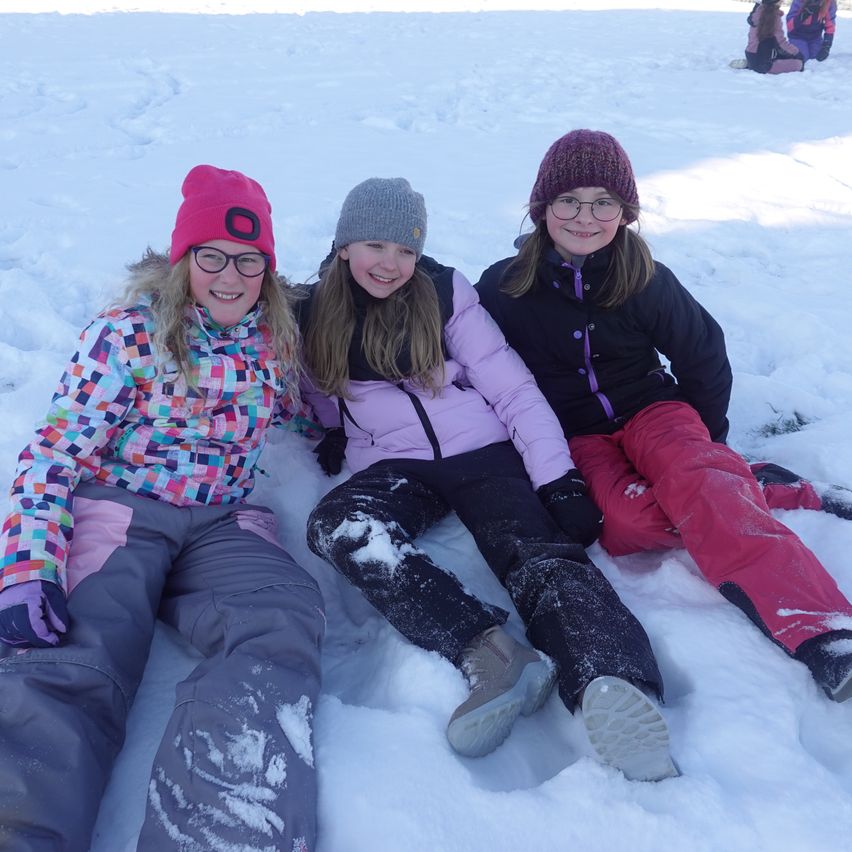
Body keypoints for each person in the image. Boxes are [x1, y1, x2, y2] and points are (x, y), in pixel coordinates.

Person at [301, 177, 678, 782]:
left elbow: (512, 388)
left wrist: (558, 478)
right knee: (340, 526)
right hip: (393, 464)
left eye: (406, 250)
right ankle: (491, 653)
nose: (391, 264)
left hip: (481, 449)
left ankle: (611, 678)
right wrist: (335, 429)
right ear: (345, 245)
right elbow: (317, 389)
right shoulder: (313, 312)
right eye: (376, 245)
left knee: (536, 554)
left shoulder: (447, 293)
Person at [0, 165, 325, 852]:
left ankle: (225, 828)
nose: (230, 276)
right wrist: (29, 563)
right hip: (121, 513)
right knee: (73, 649)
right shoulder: (127, 336)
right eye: (211, 256)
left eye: (248, 260)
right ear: (184, 261)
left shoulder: (277, 340)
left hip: (223, 522)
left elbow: (305, 416)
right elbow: (53, 452)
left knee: (279, 618)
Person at [476, 129, 852, 709]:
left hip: (657, 409)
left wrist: (705, 447)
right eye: (569, 201)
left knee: (701, 483)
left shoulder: (643, 276)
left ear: (624, 212)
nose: (585, 216)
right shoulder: (504, 287)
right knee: (626, 526)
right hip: (577, 435)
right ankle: (747, 482)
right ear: (542, 208)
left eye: (604, 202)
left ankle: (823, 630)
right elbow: (472, 362)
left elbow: (703, 352)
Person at [744, 0, 805, 73]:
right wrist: (797, 53)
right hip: (764, 64)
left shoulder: (757, 12)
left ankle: (750, 65)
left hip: (751, 56)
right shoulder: (774, 17)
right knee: (799, 64)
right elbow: (781, 43)